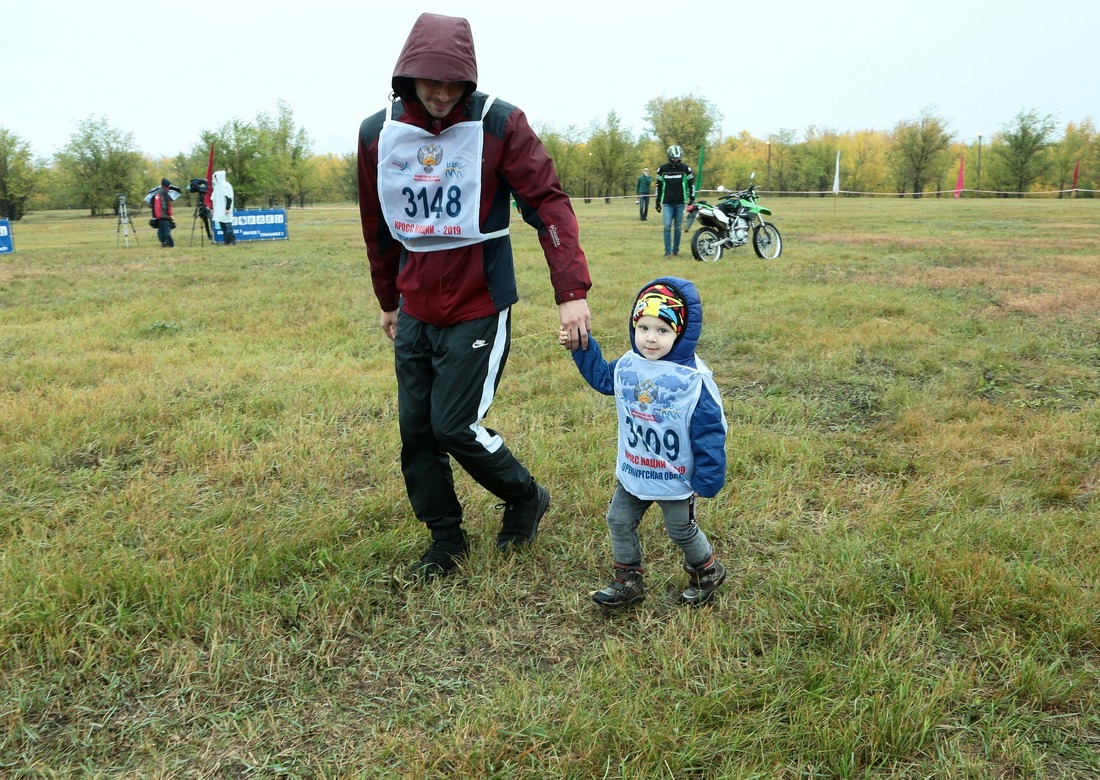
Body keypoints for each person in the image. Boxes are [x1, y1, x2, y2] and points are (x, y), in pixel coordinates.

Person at [357, 12, 593, 582]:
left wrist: (571, 292)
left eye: (453, 82)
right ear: (404, 76)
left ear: (470, 79)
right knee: (416, 430)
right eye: (428, 80)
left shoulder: (500, 124)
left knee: (453, 424)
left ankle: (525, 495)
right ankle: (445, 539)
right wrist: (389, 300)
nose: (441, 94)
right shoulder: (377, 133)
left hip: (478, 303)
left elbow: (548, 203)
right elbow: (377, 222)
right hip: (415, 306)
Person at [559, 277, 728, 607]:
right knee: (618, 521)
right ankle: (628, 580)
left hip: (675, 475)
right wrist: (581, 346)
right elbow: (604, 378)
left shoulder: (693, 380)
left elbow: (710, 430)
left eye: (663, 330)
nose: (651, 338)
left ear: (680, 332)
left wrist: (707, 477)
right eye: (644, 327)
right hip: (635, 470)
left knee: (680, 529)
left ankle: (707, 570)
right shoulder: (628, 365)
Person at [654, 146, 695, 257]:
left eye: (678, 157)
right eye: (674, 158)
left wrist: (692, 199)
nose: (676, 160)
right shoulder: (662, 169)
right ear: (669, 157)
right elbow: (659, 185)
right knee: (667, 226)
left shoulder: (686, 169)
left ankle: (675, 250)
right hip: (667, 202)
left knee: (677, 227)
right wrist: (657, 201)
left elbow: (691, 185)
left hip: (680, 202)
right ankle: (667, 252)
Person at [211, 170, 236, 245]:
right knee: (222, 226)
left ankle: (231, 241)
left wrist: (227, 208)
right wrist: (213, 208)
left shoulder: (226, 185)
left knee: (228, 225)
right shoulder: (216, 186)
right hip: (219, 209)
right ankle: (226, 241)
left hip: (225, 209)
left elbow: (229, 198)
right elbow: (213, 198)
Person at [151, 178, 176, 247]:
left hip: (158, 216)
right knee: (167, 232)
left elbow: (154, 206)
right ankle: (171, 244)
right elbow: (167, 206)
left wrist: (156, 216)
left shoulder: (157, 192)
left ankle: (164, 242)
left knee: (161, 231)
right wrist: (170, 216)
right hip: (164, 216)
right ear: (167, 185)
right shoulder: (164, 193)